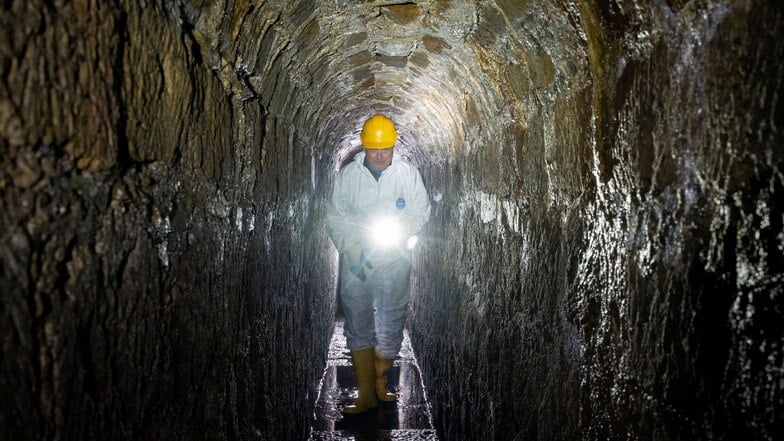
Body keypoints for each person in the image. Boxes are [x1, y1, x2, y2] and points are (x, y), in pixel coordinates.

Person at [326, 114, 431, 415]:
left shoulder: (407, 174)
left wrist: (403, 228)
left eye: (385, 148)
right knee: (357, 319)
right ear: (365, 147)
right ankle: (365, 395)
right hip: (358, 257)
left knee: (391, 319)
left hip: (394, 256)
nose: (380, 155)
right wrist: (349, 245)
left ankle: (380, 380)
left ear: (394, 145)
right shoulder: (349, 176)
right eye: (374, 149)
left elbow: (421, 210)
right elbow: (336, 215)